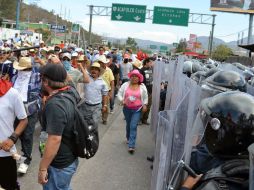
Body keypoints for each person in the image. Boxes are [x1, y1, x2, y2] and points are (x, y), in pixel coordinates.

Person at [180, 91, 254, 190]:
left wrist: (185, 188)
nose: (205, 132)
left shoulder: (213, 186)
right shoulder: (243, 167)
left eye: (207, 128)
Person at [38, 63, 79, 189]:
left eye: (41, 79)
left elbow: (55, 139)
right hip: (69, 158)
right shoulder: (70, 91)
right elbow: (68, 80)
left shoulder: (55, 105)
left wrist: (43, 168)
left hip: (58, 164)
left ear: (45, 82)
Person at [0, 61, 28, 190]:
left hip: (4, 154)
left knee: (8, 186)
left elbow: (23, 120)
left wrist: (12, 138)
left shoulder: (12, 94)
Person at [13, 57, 42, 174]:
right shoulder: (15, 77)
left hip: (30, 111)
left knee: (28, 135)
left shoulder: (36, 76)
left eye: (23, 69)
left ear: (29, 68)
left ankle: (26, 160)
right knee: (15, 134)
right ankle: (15, 156)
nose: (21, 71)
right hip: (15, 111)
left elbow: (49, 71)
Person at [117, 69, 148, 154]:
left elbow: (145, 97)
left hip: (137, 109)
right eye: (133, 76)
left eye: (136, 76)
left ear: (139, 78)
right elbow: (119, 94)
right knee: (128, 124)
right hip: (126, 109)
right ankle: (128, 137)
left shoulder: (142, 86)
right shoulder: (125, 85)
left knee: (133, 126)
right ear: (130, 77)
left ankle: (131, 145)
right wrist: (122, 100)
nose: (134, 78)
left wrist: (145, 104)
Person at [79, 62, 108, 127]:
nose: (94, 70)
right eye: (92, 69)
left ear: (99, 72)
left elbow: (105, 94)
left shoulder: (102, 82)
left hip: (97, 106)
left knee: (94, 123)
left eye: (96, 69)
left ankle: (92, 136)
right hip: (85, 105)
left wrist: (105, 105)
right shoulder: (86, 78)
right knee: (84, 124)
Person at [98, 55, 114, 125]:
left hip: (106, 91)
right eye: (100, 62)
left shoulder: (109, 70)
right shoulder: (97, 69)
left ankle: (104, 119)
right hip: (98, 91)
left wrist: (111, 92)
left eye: (102, 62)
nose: (101, 64)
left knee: (105, 105)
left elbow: (112, 82)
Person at [140, 57, 154, 125]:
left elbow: (151, 80)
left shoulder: (150, 69)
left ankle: (145, 119)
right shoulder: (142, 70)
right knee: (143, 105)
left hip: (150, 90)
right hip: (144, 91)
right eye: (150, 62)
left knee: (148, 106)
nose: (152, 64)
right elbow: (141, 81)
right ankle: (139, 119)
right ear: (146, 62)